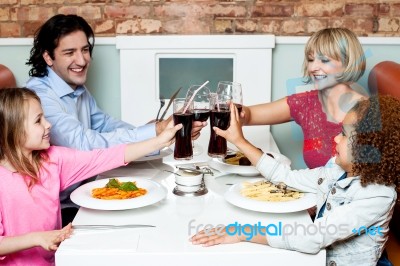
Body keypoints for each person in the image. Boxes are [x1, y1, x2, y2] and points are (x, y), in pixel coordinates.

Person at [25, 14, 205, 225]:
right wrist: (155, 133)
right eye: (69, 52)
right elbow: (83, 144)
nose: (82, 60)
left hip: (89, 189)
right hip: (62, 209)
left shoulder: (75, 87)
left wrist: (152, 132)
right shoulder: (39, 98)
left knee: (162, 206)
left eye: (85, 50)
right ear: (48, 57)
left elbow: (104, 124)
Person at [190, 95, 400, 265]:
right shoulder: (336, 169)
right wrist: (239, 141)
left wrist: (243, 231)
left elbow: (313, 237)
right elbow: (286, 178)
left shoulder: (377, 195)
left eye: (344, 135)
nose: (336, 138)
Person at [0, 87, 181, 265]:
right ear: (13, 130)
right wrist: (37, 238)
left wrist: (158, 141)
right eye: (38, 121)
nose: (48, 124)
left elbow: (104, 156)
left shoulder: (53, 159)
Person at [241, 28, 367, 169]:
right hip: (313, 189)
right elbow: (248, 115)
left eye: (324, 60)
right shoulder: (306, 103)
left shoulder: (368, 112)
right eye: (310, 60)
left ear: (347, 63)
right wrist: (226, 110)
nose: (313, 67)